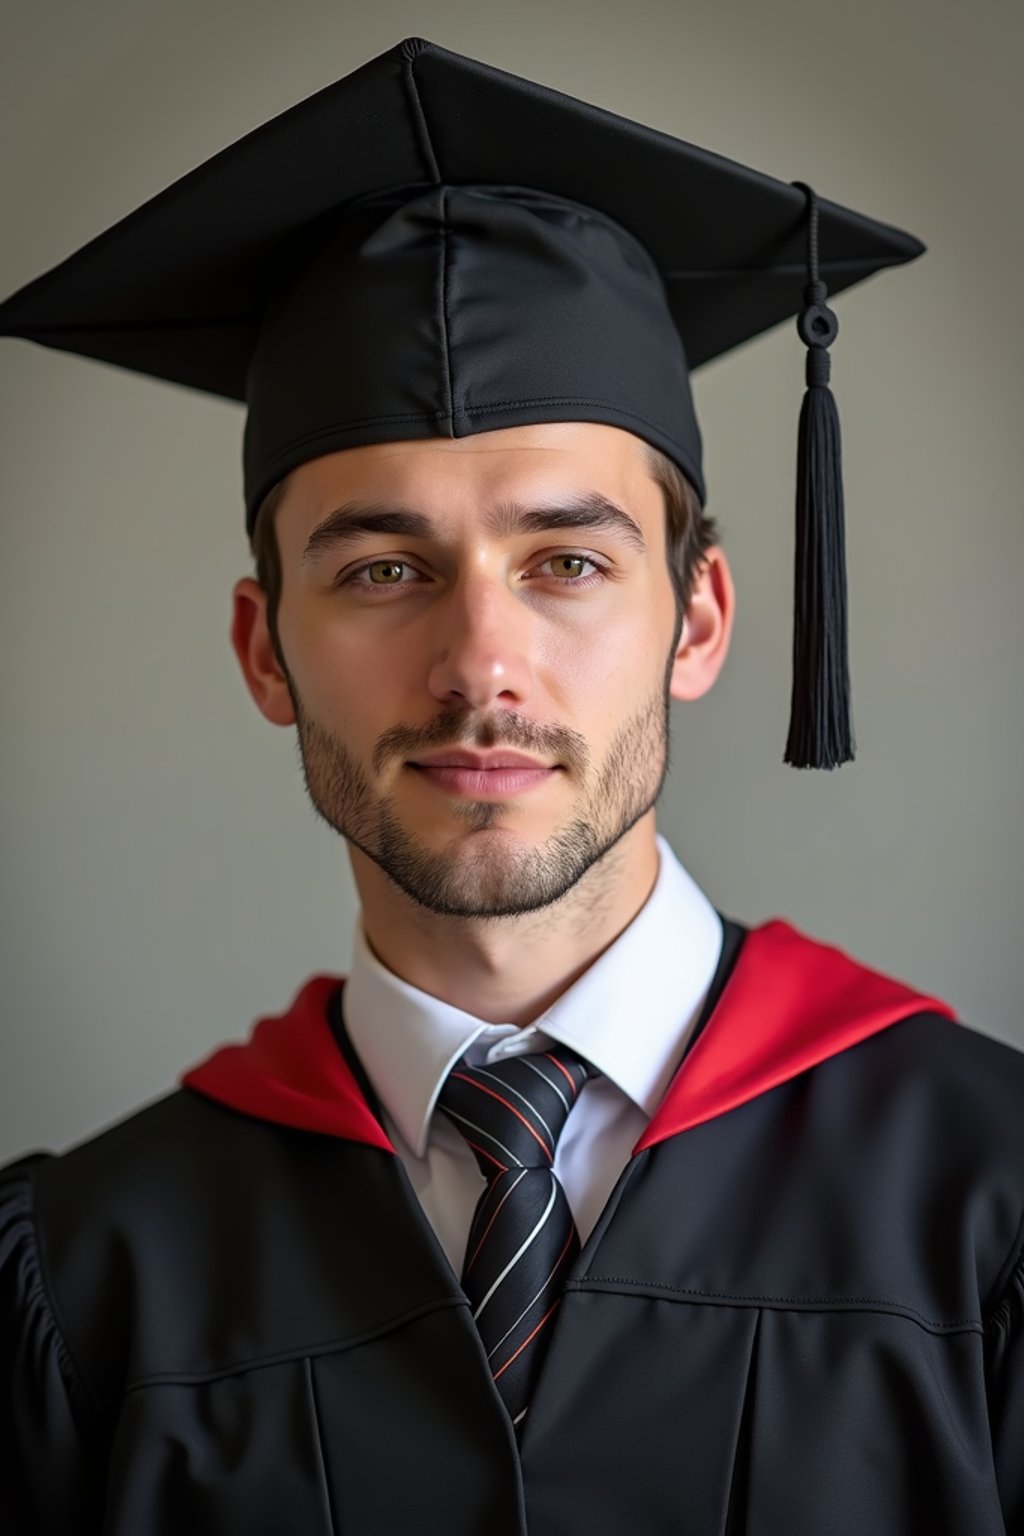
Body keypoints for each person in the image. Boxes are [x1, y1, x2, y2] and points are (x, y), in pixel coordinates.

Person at [1, 35, 1021, 1536]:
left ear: (699, 619)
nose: (482, 661)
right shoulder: (89, 1283)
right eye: (385, 569)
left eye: (568, 563)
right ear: (265, 650)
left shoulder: (992, 1203)